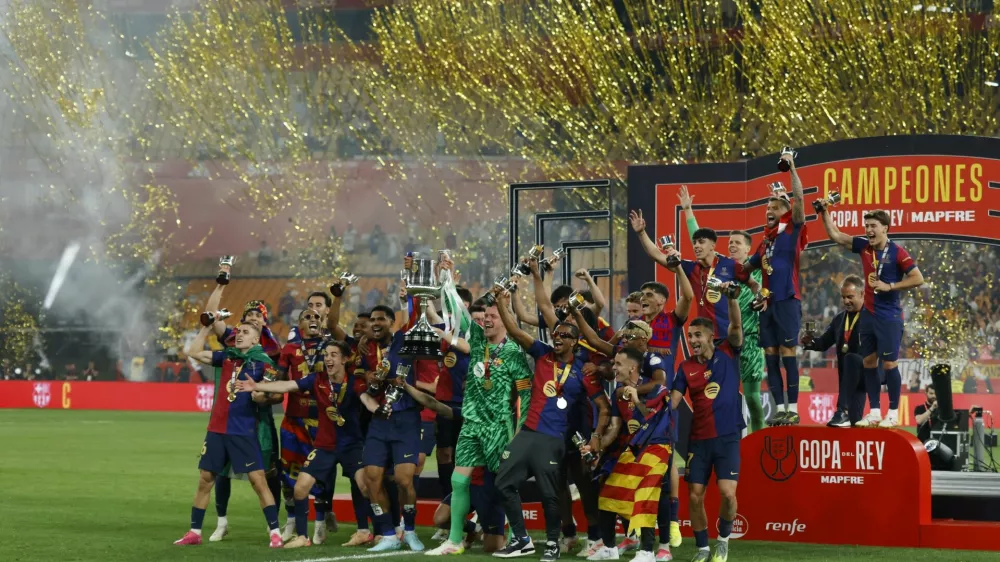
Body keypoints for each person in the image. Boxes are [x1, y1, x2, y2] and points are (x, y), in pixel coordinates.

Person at [492, 291, 611, 560]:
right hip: (529, 431)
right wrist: (500, 301)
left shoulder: (585, 370)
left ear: (576, 341)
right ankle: (523, 539)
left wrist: (595, 437)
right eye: (555, 333)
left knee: (556, 492)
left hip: (557, 437)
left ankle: (557, 543)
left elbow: (604, 408)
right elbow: (515, 330)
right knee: (503, 482)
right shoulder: (543, 354)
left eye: (564, 335)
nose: (557, 337)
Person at [426, 269, 533, 557]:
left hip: (498, 427)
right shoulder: (476, 341)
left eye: (492, 316)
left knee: (505, 486)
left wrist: (521, 432)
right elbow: (457, 310)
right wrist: (446, 278)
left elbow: (525, 393)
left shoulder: (513, 353)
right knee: (458, 481)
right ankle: (454, 540)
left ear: (505, 320)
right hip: (471, 425)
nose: (486, 320)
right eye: (484, 316)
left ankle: (519, 538)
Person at [237, 340, 366, 548]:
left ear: (344, 359)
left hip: (352, 445)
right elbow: (288, 385)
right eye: (326, 355)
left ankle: (372, 531)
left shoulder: (355, 382)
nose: (328, 359)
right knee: (300, 487)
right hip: (325, 446)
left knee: (366, 486)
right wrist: (257, 385)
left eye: (333, 355)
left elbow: (369, 399)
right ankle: (303, 537)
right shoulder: (317, 379)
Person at [173, 323, 283, 548]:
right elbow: (192, 352)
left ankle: (275, 533)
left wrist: (259, 395)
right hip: (216, 429)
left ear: (256, 339)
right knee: (205, 479)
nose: (240, 335)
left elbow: (271, 394)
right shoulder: (226, 357)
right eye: (238, 331)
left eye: (246, 332)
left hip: (243, 430)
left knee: (258, 480)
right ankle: (195, 532)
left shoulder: (264, 363)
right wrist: (204, 329)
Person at [817, 207, 924, 427]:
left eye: (873, 226)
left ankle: (893, 412)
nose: (868, 230)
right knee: (869, 362)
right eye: (866, 226)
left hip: (889, 316)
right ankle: (874, 411)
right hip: (869, 314)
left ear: (885, 228)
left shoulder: (897, 252)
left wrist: (890, 285)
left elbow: (918, 278)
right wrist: (824, 212)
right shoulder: (864, 247)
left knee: (890, 364)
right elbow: (835, 235)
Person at [677, 185, 766, 433]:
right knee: (721, 393)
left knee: (751, 398)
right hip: (725, 339)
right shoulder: (720, 268)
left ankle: (757, 439)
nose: (733, 246)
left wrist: (761, 297)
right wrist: (688, 211)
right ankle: (728, 439)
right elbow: (700, 238)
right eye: (730, 243)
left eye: (738, 243)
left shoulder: (754, 273)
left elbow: (764, 292)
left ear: (749, 249)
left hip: (750, 341)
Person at [671, 282, 744, 562]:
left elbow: (736, 328)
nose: (693, 339)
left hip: (727, 437)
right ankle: (702, 548)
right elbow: (675, 400)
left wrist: (732, 299)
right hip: (698, 440)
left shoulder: (728, 352)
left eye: (697, 334)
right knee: (695, 495)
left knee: (727, 494)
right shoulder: (686, 366)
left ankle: (722, 541)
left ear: (711, 336)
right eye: (689, 335)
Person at [735, 156, 808, 426]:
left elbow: (799, 201)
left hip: (788, 301)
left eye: (775, 206)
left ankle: (795, 409)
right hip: (767, 306)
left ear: (785, 211)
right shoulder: (765, 244)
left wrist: (792, 168)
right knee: (772, 357)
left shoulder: (793, 231)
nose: (769, 209)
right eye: (768, 205)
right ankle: (780, 410)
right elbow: (744, 270)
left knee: (788, 354)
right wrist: (754, 285)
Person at [586, 347, 674, 562]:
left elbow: (649, 419)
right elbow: (615, 428)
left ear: (632, 367)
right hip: (633, 450)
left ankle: (647, 552)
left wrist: (636, 398)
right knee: (608, 493)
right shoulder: (618, 393)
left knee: (646, 495)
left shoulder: (657, 389)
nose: (613, 368)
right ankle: (609, 548)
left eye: (617, 364)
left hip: (657, 448)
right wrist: (595, 447)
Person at [403, 380, 507, 554]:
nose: (468, 395)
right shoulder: (465, 414)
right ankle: (473, 529)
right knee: (440, 519)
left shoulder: (496, 417)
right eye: (465, 391)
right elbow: (433, 403)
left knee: (492, 547)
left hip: (487, 486)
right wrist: (407, 386)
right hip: (467, 484)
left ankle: (508, 534)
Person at [357, 304, 424, 552]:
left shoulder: (404, 341)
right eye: (372, 320)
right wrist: (369, 378)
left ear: (392, 322)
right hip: (378, 419)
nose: (375, 323)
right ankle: (387, 534)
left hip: (405, 418)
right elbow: (362, 381)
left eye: (381, 319)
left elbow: (419, 320)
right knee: (372, 478)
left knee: (404, 481)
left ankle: (410, 530)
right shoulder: (365, 349)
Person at [274, 310, 327, 543]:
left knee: (321, 474)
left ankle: (320, 523)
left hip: (322, 421)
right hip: (293, 420)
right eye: (307, 317)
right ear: (300, 324)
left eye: (316, 316)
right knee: (288, 474)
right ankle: (292, 521)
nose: (312, 319)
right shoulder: (289, 349)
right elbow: (279, 377)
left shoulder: (330, 346)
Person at [801, 275, 867, 427]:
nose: (846, 301)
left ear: (862, 294)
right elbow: (824, 343)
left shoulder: (871, 316)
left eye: (850, 297)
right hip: (850, 380)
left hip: (868, 372)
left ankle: (841, 410)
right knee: (854, 423)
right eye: (843, 297)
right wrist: (810, 342)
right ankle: (849, 442)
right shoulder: (839, 319)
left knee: (851, 358)